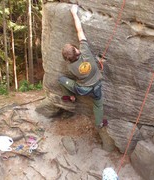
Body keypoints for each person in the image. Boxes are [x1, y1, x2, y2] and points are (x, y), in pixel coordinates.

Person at [59, 5, 115, 152]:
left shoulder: (70, 66)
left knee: (61, 80)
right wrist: (74, 12)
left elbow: (70, 57)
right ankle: (99, 123)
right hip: (96, 86)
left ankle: (71, 97)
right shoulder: (85, 51)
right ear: (77, 50)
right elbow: (79, 30)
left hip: (82, 89)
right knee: (98, 105)